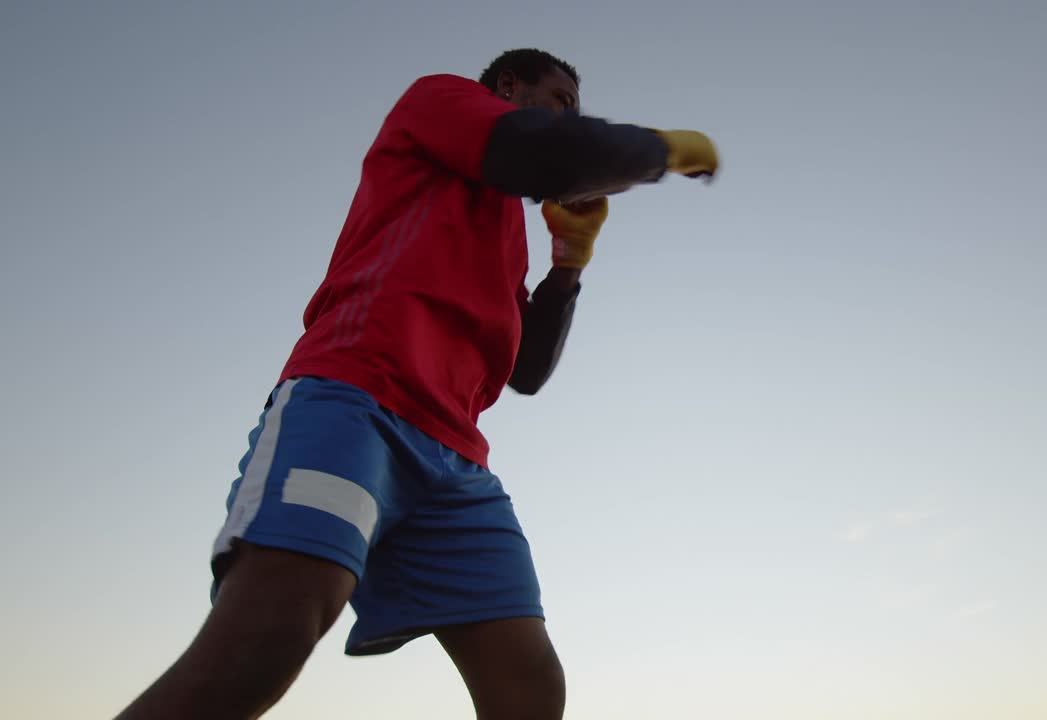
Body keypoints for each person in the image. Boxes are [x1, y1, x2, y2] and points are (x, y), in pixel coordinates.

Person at [113, 48, 718, 720]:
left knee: (529, 685)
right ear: (508, 87)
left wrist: (569, 265)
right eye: (561, 99)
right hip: (355, 400)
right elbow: (548, 153)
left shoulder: (503, 223)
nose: (571, 114)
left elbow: (528, 373)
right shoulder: (439, 102)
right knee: (270, 634)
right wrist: (659, 151)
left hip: (455, 465)